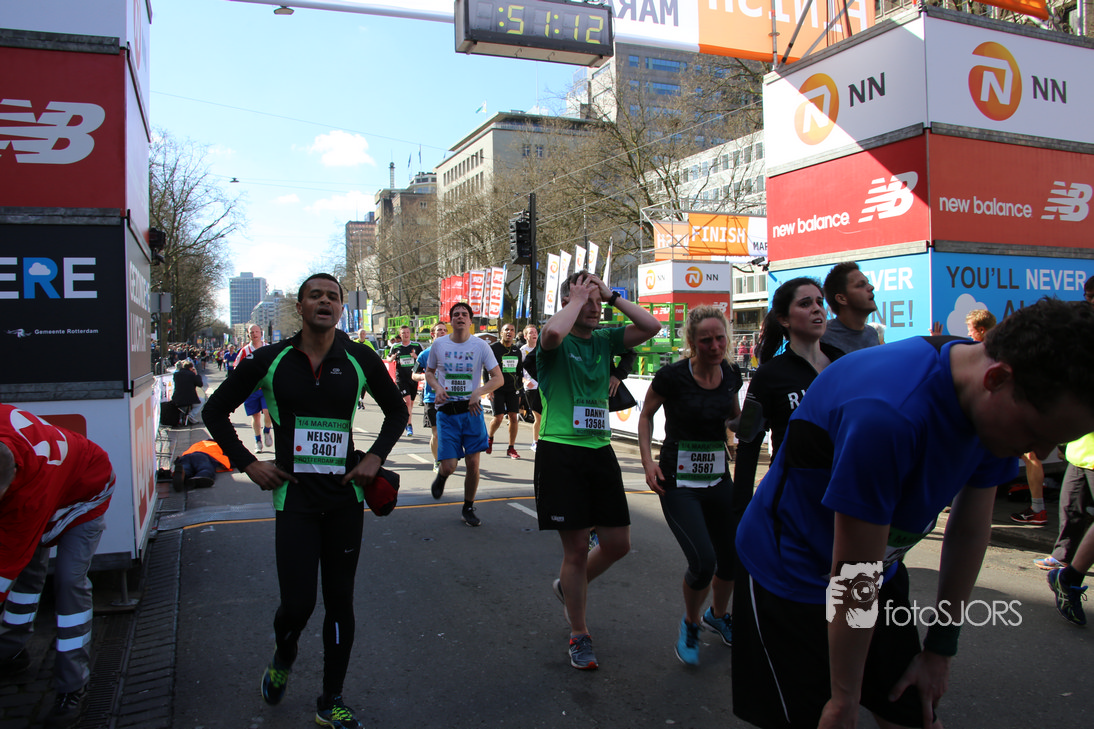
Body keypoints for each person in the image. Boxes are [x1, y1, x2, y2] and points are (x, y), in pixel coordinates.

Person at [731, 297, 1094, 729]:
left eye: (1057, 441)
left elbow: (968, 530)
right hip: (790, 575)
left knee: (915, 714)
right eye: (1035, 433)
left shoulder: (990, 395)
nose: (1040, 451)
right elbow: (855, 574)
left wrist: (940, 647)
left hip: (876, 572)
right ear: (996, 379)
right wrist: (844, 698)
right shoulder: (887, 415)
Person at [202, 273, 407, 729]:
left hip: (344, 499)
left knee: (339, 602)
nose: (325, 302)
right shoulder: (270, 360)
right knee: (297, 605)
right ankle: (284, 651)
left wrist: (376, 457)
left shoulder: (359, 357)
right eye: (316, 295)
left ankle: (331, 699)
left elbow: (397, 410)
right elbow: (214, 410)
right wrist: (247, 462)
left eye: (333, 297)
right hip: (293, 500)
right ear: (300, 307)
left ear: (340, 308)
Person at [535, 270, 660, 670]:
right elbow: (551, 334)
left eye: (597, 302)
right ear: (568, 301)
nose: (594, 308)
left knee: (618, 543)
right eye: (585, 301)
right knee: (575, 549)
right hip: (560, 451)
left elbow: (652, 327)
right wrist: (575, 300)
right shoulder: (554, 341)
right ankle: (579, 633)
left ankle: (569, 587)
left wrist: (612, 296)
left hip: (599, 451)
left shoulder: (605, 339)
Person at [637, 306, 742, 666]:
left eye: (719, 338)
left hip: (718, 477)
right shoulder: (672, 377)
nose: (714, 346)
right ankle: (691, 622)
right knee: (703, 561)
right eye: (706, 340)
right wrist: (648, 462)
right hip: (678, 481)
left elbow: (733, 418)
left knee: (732, 556)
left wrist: (748, 423)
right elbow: (646, 415)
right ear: (693, 343)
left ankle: (718, 615)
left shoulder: (731, 373)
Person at [0, 405, 115, 729]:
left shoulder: (26, 500)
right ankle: (11, 650)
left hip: (85, 496)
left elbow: (4, 569)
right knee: (28, 572)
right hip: (52, 482)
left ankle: (72, 686)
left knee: (68, 582)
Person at [733, 278, 841, 523]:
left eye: (820, 302)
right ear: (784, 319)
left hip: (844, 496)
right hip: (794, 502)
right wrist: (740, 514)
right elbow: (748, 443)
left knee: (852, 552)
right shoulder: (769, 375)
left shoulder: (843, 364)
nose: (817, 309)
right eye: (805, 304)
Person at [425, 302, 503, 527]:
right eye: (456, 314)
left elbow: (498, 378)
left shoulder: (480, 346)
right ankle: (442, 475)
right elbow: (429, 373)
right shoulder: (439, 344)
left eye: (464, 314)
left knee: (473, 463)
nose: (460, 317)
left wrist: (478, 392)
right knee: (449, 465)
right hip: (447, 412)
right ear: (451, 321)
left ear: (470, 320)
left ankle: (468, 507)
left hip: (472, 412)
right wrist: (437, 388)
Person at [1045, 437, 1094, 626]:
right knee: (1071, 514)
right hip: (1079, 453)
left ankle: (1067, 577)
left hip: (1082, 452)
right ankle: (1067, 576)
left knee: (1072, 514)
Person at [413, 322, 451, 473]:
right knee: (436, 433)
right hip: (431, 398)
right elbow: (413, 375)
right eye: (439, 330)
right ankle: (437, 461)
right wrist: (424, 376)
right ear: (432, 334)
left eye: (445, 330)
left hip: (450, 398)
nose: (442, 332)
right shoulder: (425, 354)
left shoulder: (453, 352)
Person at [821, 261, 879, 355]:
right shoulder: (822, 337)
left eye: (868, 283)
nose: (871, 287)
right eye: (861, 285)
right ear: (842, 299)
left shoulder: (872, 333)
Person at [234, 324, 275, 452]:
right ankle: (258, 441)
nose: (254, 334)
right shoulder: (245, 351)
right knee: (255, 416)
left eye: (257, 331)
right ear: (248, 334)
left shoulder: (269, 348)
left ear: (261, 333)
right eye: (252, 332)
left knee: (268, 413)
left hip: (266, 388)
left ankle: (267, 431)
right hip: (251, 389)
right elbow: (236, 368)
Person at [486, 323, 524, 459]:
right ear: (501, 333)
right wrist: (488, 388)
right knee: (499, 417)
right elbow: (485, 369)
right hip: (497, 388)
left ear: (514, 334)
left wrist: (520, 390)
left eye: (512, 330)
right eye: (506, 330)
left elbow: (519, 372)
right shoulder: (493, 348)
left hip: (512, 389)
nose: (509, 332)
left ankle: (511, 448)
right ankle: (490, 438)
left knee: (514, 417)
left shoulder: (516, 350)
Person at [386, 326, 423, 438]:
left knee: (410, 403)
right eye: (403, 333)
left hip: (413, 377)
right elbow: (388, 358)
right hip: (401, 378)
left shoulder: (417, 346)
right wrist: (392, 358)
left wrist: (415, 356)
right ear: (400, 335)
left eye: (407, 332)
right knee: (407, 402)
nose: (406, 335)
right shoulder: (396, 346)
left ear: (410, 334)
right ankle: (409, 425)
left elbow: (423, 359)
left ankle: (407, 421)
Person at [519, 325, 543, 452]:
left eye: (535, 332)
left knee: (545, 416)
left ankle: (544, 440)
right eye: (530, 333)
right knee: (538, 416)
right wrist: (525, 380)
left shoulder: (542, 348)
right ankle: (535, 442)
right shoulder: (522, 351)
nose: (534, 334)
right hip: (531, 388)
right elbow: (518, 371)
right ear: (525, 336)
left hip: (543, 386)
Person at [171, 359, 205, 427]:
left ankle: (183, 418)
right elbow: (200, 384)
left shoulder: (176, 374)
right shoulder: (192, 374)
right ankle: (190, 415)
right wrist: (196, 374)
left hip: (177, 398)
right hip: (190, 399)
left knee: (182, 406)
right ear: (191, 368)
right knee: (202, 401)